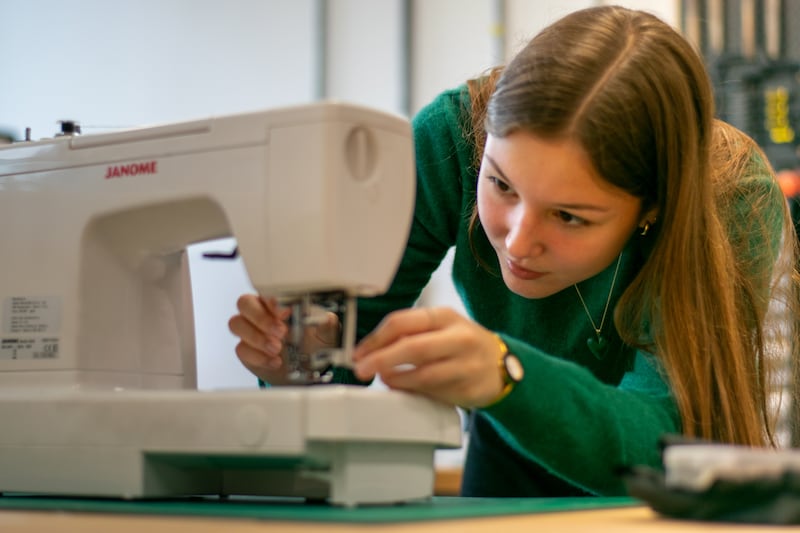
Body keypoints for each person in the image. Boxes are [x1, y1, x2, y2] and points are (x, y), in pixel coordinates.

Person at [228, 5, 800, 497]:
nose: (519, 243)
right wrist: (297, 365)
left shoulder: (729, 198)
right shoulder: (451, 139)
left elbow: (668, 442)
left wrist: (506, 372)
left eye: (569, 216)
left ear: (651, 209)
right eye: (501, 185)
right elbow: (341, 354)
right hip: (507, 452)